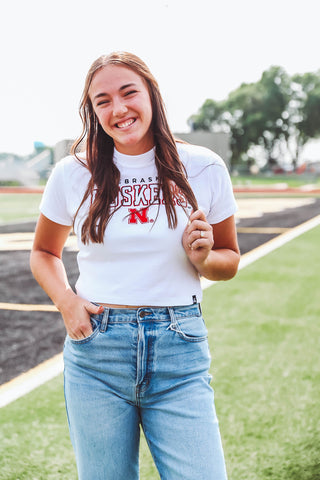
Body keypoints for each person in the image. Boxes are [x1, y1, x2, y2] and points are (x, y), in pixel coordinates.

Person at [30, 51, 240, 480]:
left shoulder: (202, 166)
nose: (118, 109)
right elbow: (44, 253)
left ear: (152, 96)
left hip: (178, 347)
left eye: (129, 93)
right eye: (102, 100)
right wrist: (66, 301)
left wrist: (203, 258)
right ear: (93, 110)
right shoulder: (73, 172)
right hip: (97, 352)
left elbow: (229, 260)